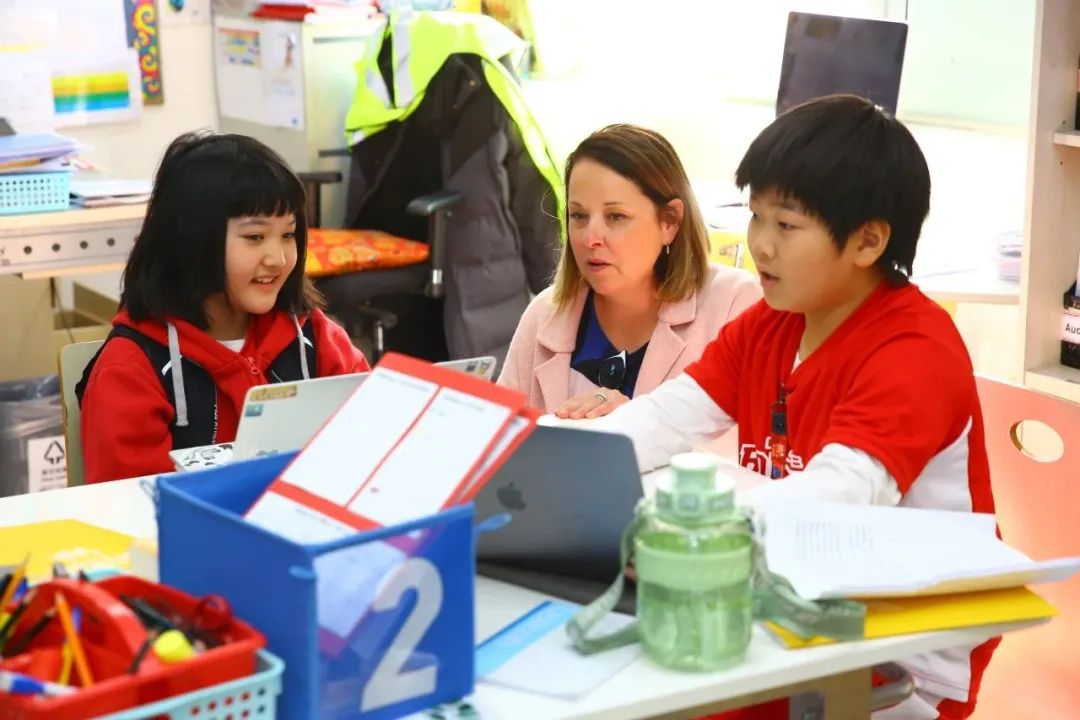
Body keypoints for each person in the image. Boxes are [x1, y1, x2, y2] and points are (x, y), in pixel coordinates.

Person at [580, 96, 996, 719]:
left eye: (786, 225)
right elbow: (666, 417)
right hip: (789, 610)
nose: (760, 246)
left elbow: (840, 494)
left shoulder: (915, 349)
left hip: (898, 659)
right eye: (755, 217)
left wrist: (686, 537)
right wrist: (566, 463)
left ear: (868, 241)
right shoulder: (773, 322)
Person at [78, 132, 370, 484]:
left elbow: (370, 443)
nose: (278, 259)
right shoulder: (130, 369)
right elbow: (134, 503)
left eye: (288, 235)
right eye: (255, 237)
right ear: (192, 241)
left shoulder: (315, 338)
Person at [498, 124, 760, 415]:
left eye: (616, 217)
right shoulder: (543, 313)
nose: (590, 238)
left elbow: (757, 437)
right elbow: (498, 435)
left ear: (670, 222)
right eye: (579, 215)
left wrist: (631, 423)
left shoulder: (735, 305)